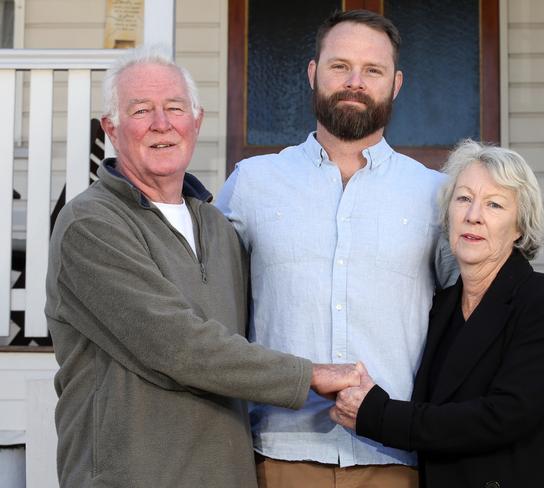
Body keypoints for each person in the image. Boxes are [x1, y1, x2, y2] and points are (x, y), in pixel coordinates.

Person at [217, 9, 544, 488]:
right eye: (340, 66)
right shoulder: (251, 184)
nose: (355, 81)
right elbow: (211, 311)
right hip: (278, 454)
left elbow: (480, 322)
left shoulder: (435, 196)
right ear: (313, 73)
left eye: (372, 70)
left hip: (396, 458)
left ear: (395, 84)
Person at [45, 46, 360, 488]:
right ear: (111, 129)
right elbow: (176, 345)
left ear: (196, 122)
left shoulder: (217, 225)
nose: (161, 123)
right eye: (141, 110)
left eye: (175, 108)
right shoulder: (90, 224)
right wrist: (311, 375)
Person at [331, 140, 544, 487]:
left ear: (519, 226)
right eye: (463, 198)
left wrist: (377, 415)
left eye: (494, 204)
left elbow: (503, 416)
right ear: (448, 215)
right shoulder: (439, 307)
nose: (473, 214)